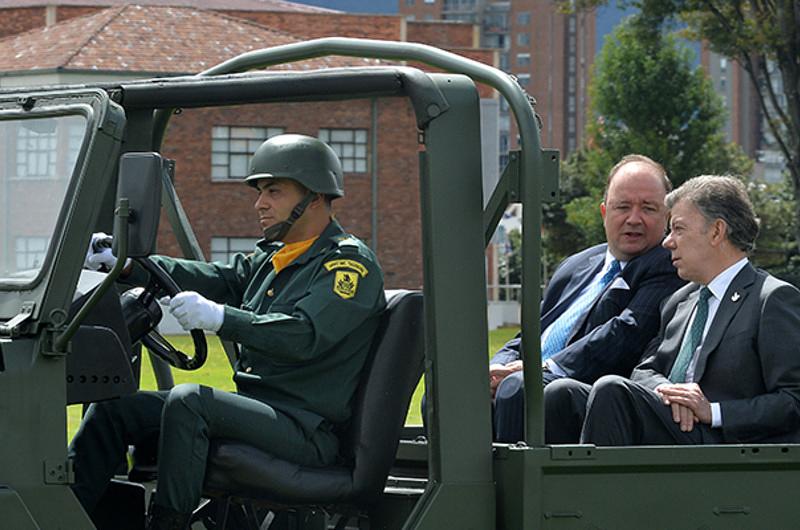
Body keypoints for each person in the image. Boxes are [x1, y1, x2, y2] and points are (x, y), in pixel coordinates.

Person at [69, 134, 386, 529]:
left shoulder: (346, 266)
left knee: (190, 400)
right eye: (259, 192)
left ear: (316, 196)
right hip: (263, 414)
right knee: (113, 408)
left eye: (274, 191)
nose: (260, 204)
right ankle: (61, 516)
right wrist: (129, 262)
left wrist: (221, 318)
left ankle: (168, 523)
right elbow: (215, 277)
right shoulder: (275, 257)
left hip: (306, 428)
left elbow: (302, 335)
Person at [546, 175, 800, 445]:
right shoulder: (680, 301)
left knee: (612, 390)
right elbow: (644, 370)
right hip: (672, 426)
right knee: (562, 393)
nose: (668, 242)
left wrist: (711, 411)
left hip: (723, 445)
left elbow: (793, 400)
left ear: (717, 232)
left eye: (678, 229)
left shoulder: (771, 299)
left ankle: (594, 488)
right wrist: (668, 391)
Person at [489, 154, 685, 443]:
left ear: (667, 217)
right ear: (604, 212)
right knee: (450, 395)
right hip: (532, 374)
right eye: (623, 206)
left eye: (648, 208)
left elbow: (625, 333)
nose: (634, 218)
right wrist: (497, 366)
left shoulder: (667, 265)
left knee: (519, 387)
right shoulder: (576, 265)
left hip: (584, 390)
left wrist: (542, 367)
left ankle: (503, 488)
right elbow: (533, 332)